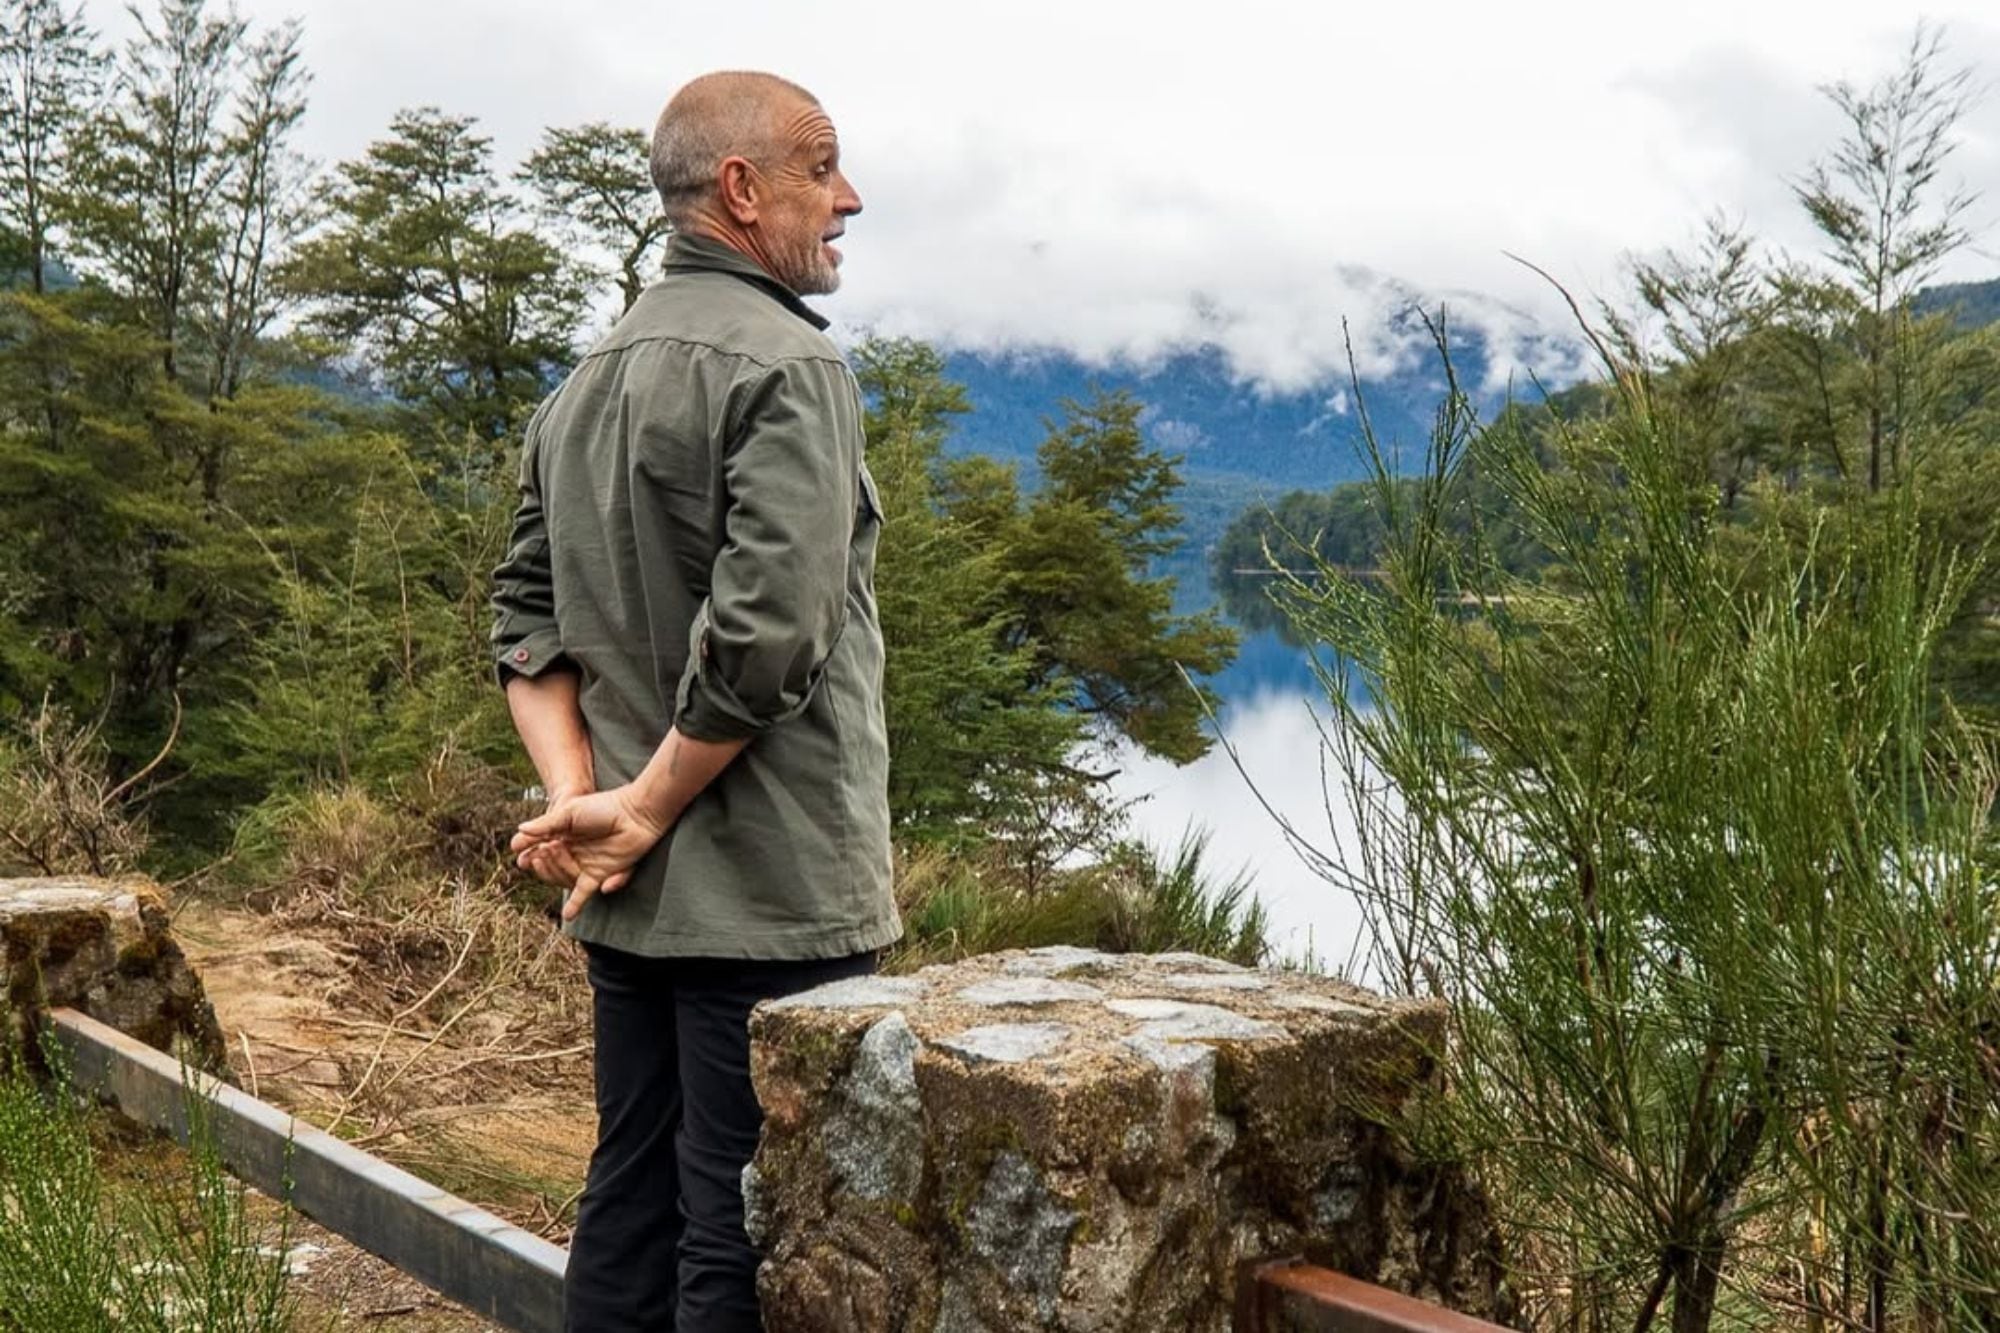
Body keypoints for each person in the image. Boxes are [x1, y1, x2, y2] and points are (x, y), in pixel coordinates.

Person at [489, 70, 897, 1333]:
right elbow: (769, 638)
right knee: (747, 1230)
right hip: (773, 901)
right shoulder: (789, 369)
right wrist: (641, 808)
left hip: (630, 902)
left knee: (631, 1197)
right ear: (739, 188)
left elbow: (523, 616)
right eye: (820, 169)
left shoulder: (588, 377)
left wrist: (582, 805)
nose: (848, 197)